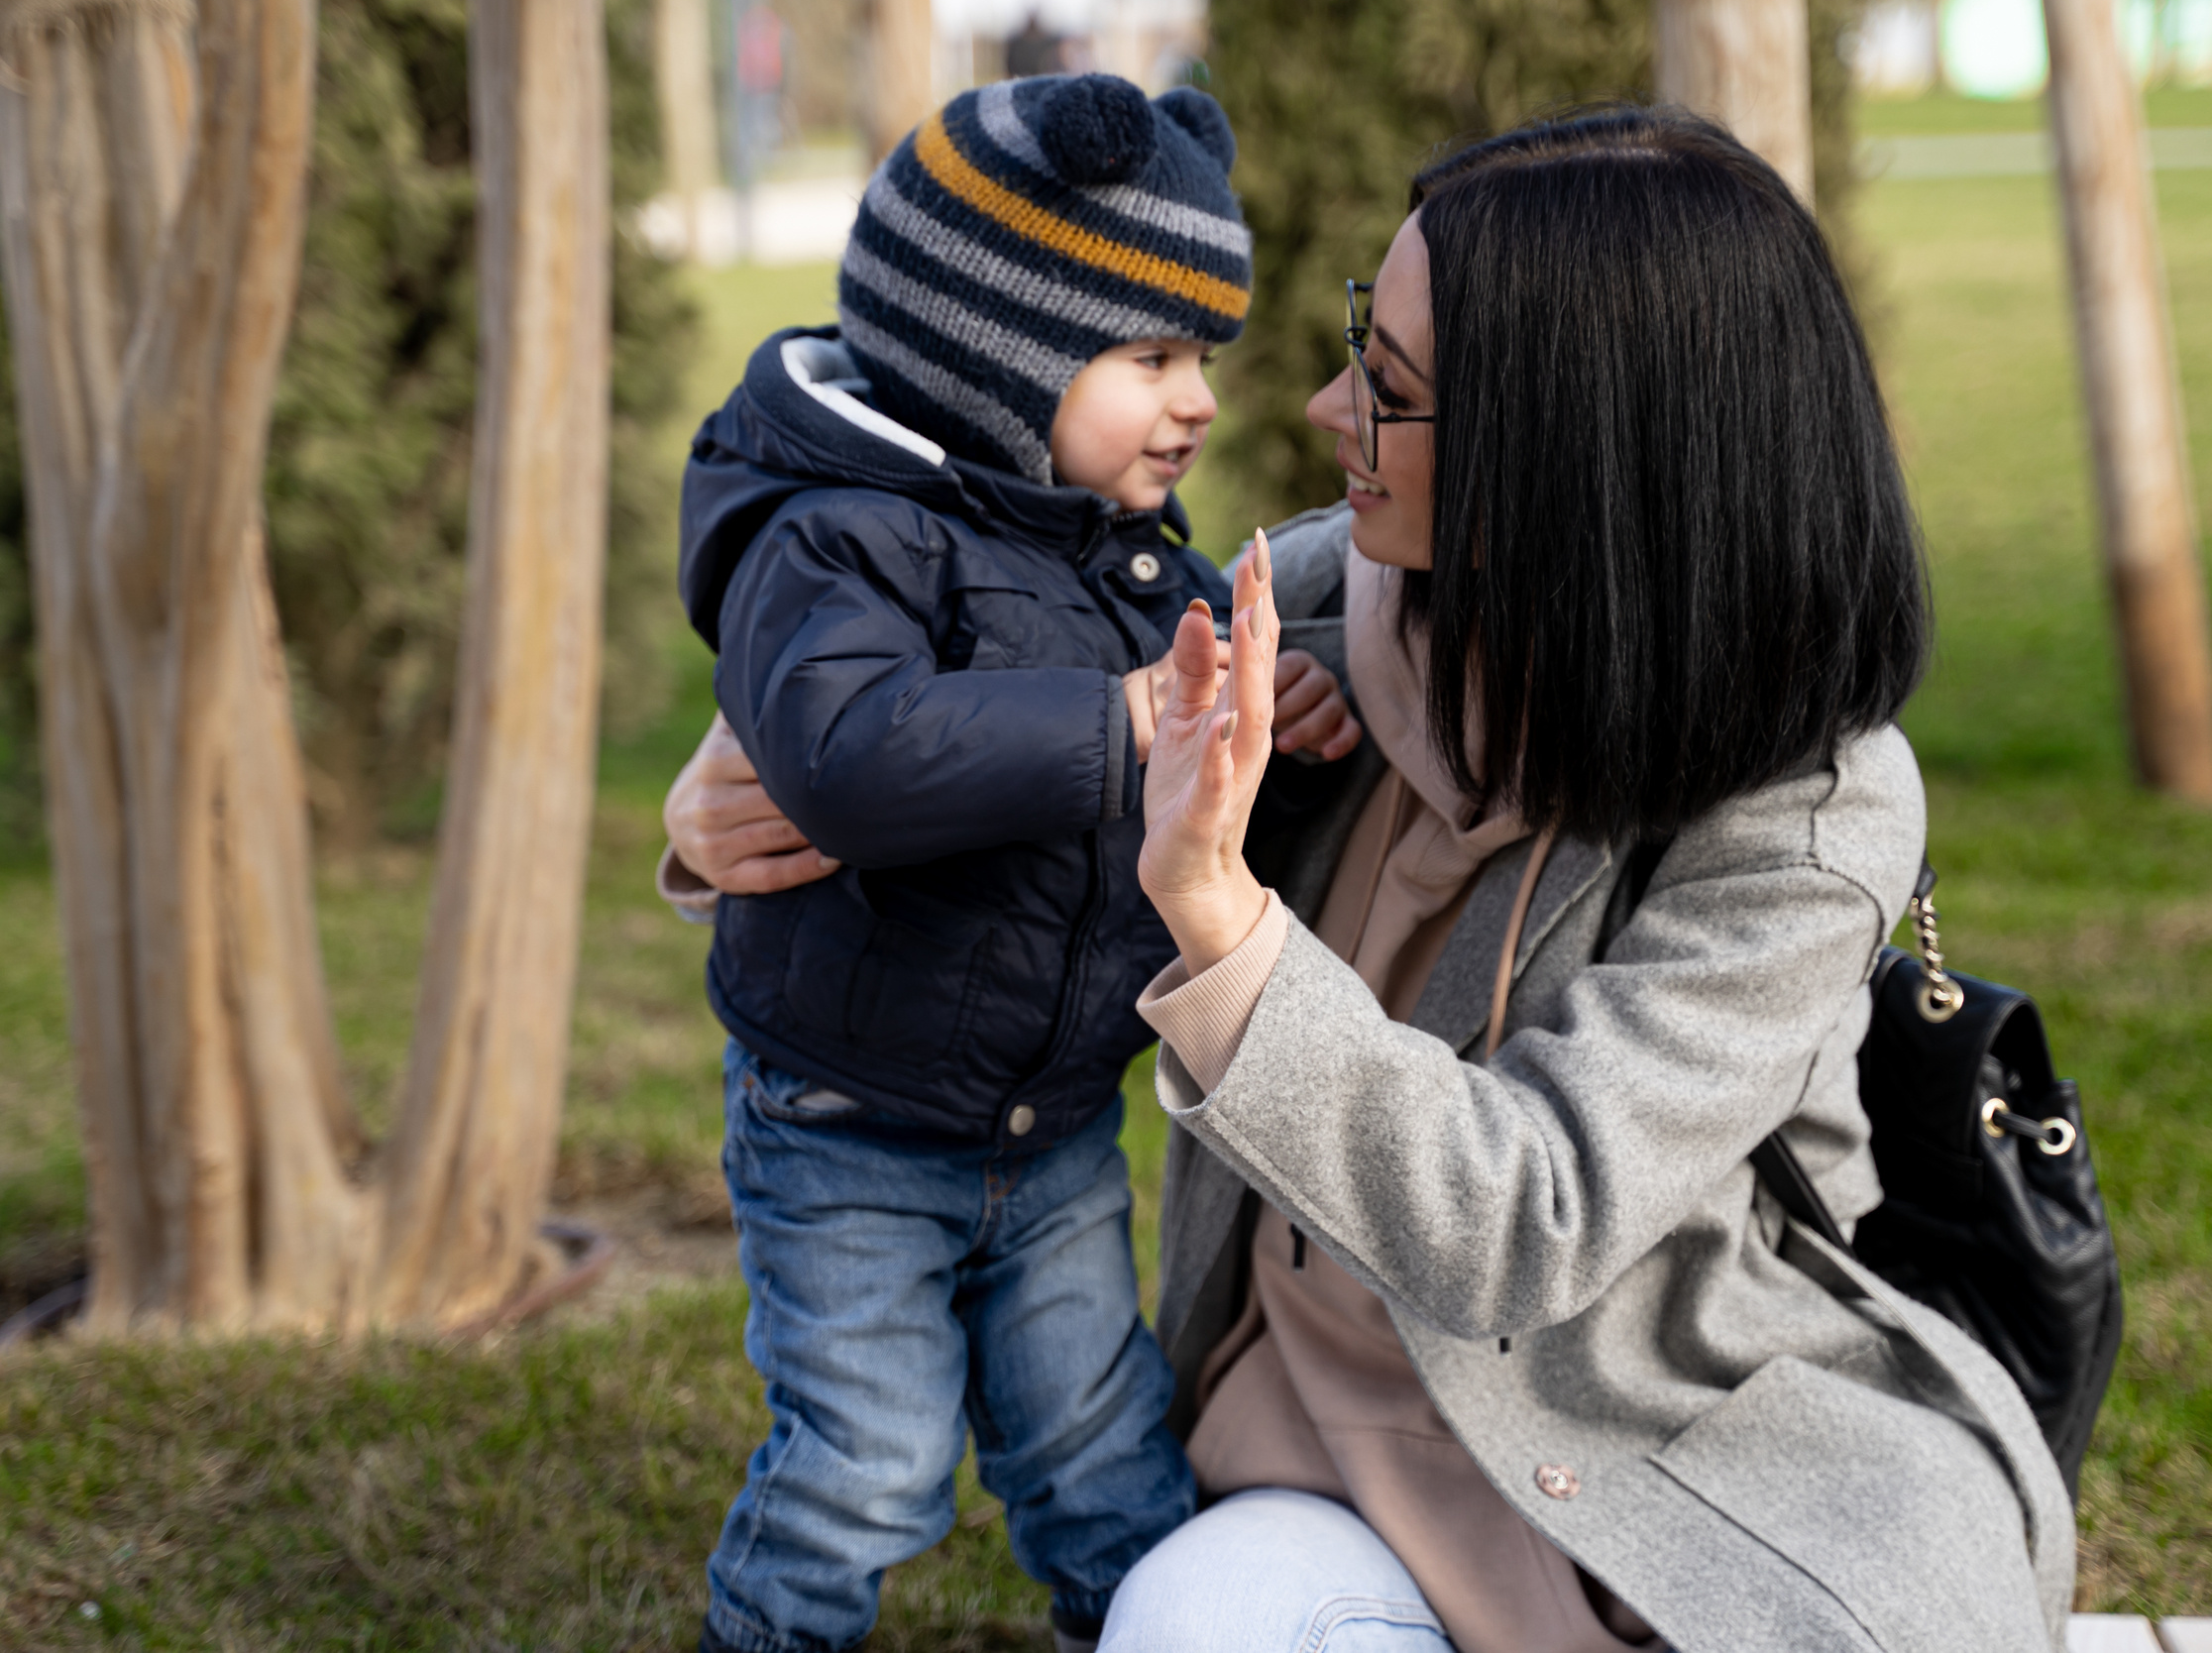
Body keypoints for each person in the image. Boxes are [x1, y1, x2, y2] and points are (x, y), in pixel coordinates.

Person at [670, 108, 2076, 1652]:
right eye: (1362, 341)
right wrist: (725, 811)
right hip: (1314, 1443)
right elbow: (968, 730)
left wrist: (1223, 920)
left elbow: (1523, 1226)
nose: (1331, 404)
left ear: (1567, 454)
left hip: (1665, 1450)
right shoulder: (1317, 606)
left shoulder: (1804, 811)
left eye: (1391, 390)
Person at [672, 71, 1359, 1653]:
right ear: (996, 352)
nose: (1194, 401)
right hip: (848, 1126)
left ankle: (1138, 1624)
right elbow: (854, 757)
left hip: (1048, 1134)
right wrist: (1128, 719)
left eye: (1201, 358)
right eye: (1150, 357)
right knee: (871, 1464)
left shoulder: (1122, 555)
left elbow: (1175, 767)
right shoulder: (835, 536)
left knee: (1101, 1453)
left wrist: (1275, 720)